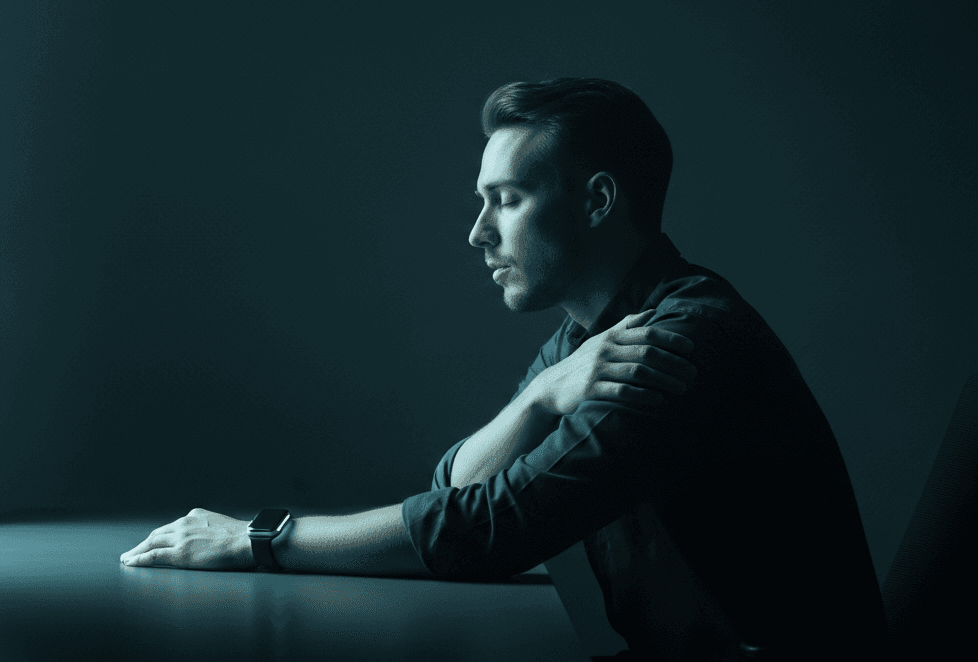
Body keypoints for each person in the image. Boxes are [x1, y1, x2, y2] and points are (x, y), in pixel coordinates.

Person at [121, 78, 887, 660]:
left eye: (507, 199)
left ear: (596, 202)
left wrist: (264, 540)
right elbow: (458, 486)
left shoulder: (671, 343)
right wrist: (539, 400)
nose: (477, 234)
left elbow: (491, 532)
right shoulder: (594, 336)